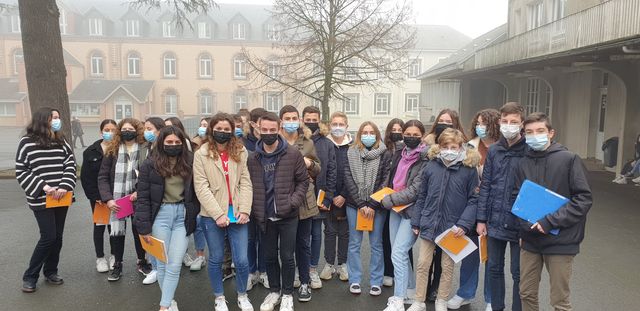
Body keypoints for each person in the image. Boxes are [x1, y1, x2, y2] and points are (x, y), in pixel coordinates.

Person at [513, 113, 592, 311]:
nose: (535, 135)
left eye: (540, 131)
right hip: (530, 240)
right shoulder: (522, 163)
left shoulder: (569, 159)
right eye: (529, 132)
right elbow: (517, 198)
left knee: (559, 301)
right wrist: (524, 228)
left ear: (551, 133)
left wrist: (549, 222)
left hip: (561, 240)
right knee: (526, 293)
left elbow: (583, 199)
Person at [409, 128, 480, 311]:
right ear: (439, 147)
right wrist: (416, 221)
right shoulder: (431, 166)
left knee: (447, 267)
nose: (449, 150)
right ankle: (419, 301)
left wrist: (464, 224)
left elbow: (474, 199)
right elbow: (422, 195)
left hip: (453, 228)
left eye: (454, 147)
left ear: (461, 148)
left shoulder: (468, 170)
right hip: (429, 224)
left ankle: (441, 300)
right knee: (423, 264)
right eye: (445, 146)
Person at [247, 112, 310, 311]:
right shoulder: (253, 157)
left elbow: (303, 180)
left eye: (272, 130)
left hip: (288, 214)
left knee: (287, 256)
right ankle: (274, 291)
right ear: (258, 129)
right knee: (269, 256)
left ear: (279, 128)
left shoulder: (292, 154)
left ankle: (288, 294)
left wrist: (293, 202)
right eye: (264, 130)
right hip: (264, 216)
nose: (268, 133)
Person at [135, 126, 201, 311]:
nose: (173, 145)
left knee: (174, 262)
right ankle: (169, 303)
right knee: (163, 264)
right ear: (161, 143)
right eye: (169, 142)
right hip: (160, 216)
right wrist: (144, 228)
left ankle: (164, 305)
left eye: (177, 142)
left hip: (183, 215)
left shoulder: (190, 161)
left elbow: (197, 191)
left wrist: (194, 210)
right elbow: (143, 197)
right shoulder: (150, 164)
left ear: (183, 143)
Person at [193, 113, 254, 311]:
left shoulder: (240, 151)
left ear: (232, 132)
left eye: (227, 129)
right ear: (212, 129)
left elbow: (245, 182)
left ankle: (242, 294)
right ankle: (219, 297)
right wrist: (218, 214)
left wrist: (245, 209)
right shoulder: (201, 153)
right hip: (212, 215)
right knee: (216, 258)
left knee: (242, 259)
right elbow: (201, 187)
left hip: (237, 214)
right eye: (219, 128)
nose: (222, 132)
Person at [17, 108, 77, 293]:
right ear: (43, 120)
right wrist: (45, 187)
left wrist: (64, 186)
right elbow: (22, 170)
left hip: (61, 196)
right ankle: (30, 277)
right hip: (41, 197)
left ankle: (51, 271)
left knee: (57, 237)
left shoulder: (61, 141)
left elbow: (70, 163)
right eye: (54, 118)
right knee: (48, 236)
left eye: (58, 117)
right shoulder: (26, 142)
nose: (58, 121)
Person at [475, 102, 527, 311]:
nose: (509, 125)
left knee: (518, 272)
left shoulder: (529, 150)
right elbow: (486, 184)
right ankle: (496, 307)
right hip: (494, 220)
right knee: (494, 268)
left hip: (518, 222)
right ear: (499, 122)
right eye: (505, 121)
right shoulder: (495, 150)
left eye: (514, 122)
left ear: (522, 123)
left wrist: (528, 223)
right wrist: (481, 219)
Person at [447, 109, 500, 311]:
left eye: (484, 123)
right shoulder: (470, 146)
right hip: (471, 208)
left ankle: (490, 298)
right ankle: (465, 293)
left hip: (494, 209)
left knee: (492, 257)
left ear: (494, 124)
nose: (480, 127)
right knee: (469, 253)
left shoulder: (502, 148)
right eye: (478, 123)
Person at [382, 120, 428, 311]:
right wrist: (384, 193)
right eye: (407, 133)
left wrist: (389, 199)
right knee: (398, 251)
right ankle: (409, 290)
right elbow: (391, 177)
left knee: (399, 252)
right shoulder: (400, 154)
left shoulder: (425, 159)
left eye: (415, 134)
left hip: (412, 211)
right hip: (396, 210)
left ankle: (398, 299)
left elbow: (415, 190)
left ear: (422, 136)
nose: (410, 136)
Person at [422, 108, 468, 301]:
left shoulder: (465, 150)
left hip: (452, 216)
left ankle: (437, 290)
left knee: (445, 260)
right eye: (441, 121)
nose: (444, 124)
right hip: (432, 213)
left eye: (448, 121)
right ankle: (423, 290)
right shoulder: (429, 144)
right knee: (426, 259)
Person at [97, 118, 152, 282]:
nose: (128, 131)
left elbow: (148, 174)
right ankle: (118, 265)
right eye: (124, 129)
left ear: (137, 130)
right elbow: (103, 177)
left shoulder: (144, 149)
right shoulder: (112, 150)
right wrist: (108, 199)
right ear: (120, 131)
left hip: (137, 197)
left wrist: (138, 191)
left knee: (138, 231)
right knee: (117, 233)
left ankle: (142, 261)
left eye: (131, 128)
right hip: (117, 199)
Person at [343, 121, 391, 297]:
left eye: (372, 132)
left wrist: (371, 204)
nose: (368, 135)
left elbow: (385, 180)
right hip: (354, 205)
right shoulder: (351, 152)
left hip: (376, 207)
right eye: (365, 132)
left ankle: (376, 281)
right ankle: (354, 279)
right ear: (360, 134)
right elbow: (348, 177)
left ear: (377, 135)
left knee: (376, 244)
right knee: (354, 243)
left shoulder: (385, 154)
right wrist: (361, 204)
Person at [279, 105, 321, 302]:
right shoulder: (275, 142)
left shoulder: (308, 143)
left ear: (299, 120)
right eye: (287, 118)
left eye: (294, 117)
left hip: (304, 199)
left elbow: (317, 168)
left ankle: (304, 282)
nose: (290, 121)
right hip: (281, 200)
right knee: (285, 246)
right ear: (281, 121)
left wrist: (310, 164)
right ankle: (286, 283)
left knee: (303, 244)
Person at [302, 106, 337, 290]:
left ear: (319, 120)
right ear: (302, 119)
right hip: (299, 197)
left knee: (316, 235)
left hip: (319, 197)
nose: (311, 122)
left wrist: (328, 197)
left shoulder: (327, 143)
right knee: (301, 237)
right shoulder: (299, 140)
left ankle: (312, 269)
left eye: (314, 118)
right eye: (307, 118)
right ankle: (300, 271)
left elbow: (332, 171)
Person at [81, 119, 118, 273]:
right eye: (106, 129)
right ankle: (100, 258)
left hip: (116, 196)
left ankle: (115, 256)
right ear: (101, 131)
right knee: (100, 226)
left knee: (115, 227)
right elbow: (86, 177)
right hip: (98, 198)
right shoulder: (90, 151)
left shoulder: (120, 149)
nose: (110, 132)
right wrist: (96, 196)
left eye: (113, 130)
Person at [320, 112, 351, 282]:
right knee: (329, 231)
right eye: (334, 123)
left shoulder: (353, 146)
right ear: (329, 125)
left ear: (347, 126)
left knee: (345, 232)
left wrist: (344, 195)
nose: (337, 127)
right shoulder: (325, 144)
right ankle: (329, 263)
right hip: (328, 196)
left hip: (348, 197)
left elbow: (354, 173)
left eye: (341, 124)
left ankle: (343, 264)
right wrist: (330, 196)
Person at [245, 107, 269, 291]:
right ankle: (251, 272)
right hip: (247, 199)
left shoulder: (271, 141)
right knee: (250, 239)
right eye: (259, 123)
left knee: (265, 238)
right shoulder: (243, 143)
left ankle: (264, 271)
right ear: (252, 123)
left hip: (266, 198)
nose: (263, 128)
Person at [141, 116, 166, 284]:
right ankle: (155, 268)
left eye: (150, 129)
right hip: (145, 196)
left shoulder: (165, 149)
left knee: (161, 237)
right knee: (150, 233)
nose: (146, 132)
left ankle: (162, 269)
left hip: (160, 199)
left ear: (159, 130)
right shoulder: (145, 148)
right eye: (145, 128)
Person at [382, 118, 405, 288]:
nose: (396, 132)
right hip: (385, 200)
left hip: (403, 201)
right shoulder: (384, 150)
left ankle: (403, 275)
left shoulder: (407, 151)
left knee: (403, 243)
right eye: (394, 129)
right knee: (386, 239)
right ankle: (388, 272)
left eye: (400, 129)